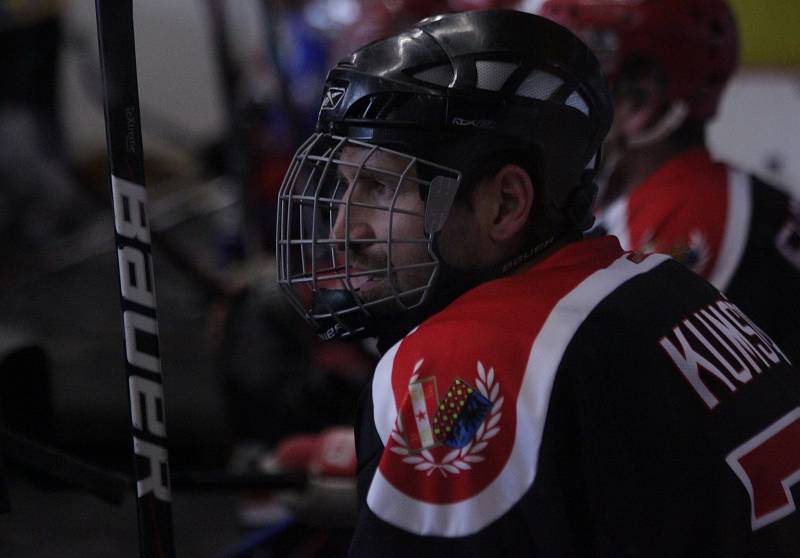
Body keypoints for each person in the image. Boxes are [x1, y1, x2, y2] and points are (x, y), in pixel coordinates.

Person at [275, 9, 800, 556]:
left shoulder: (464, 361)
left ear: (505, 203)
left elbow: (488, 411)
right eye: (342, 183)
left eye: (382, 186)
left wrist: (413, 467)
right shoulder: (670, 284)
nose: (342, 230)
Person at [540, 0, 800, 364]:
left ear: (638, 102)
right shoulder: (691, 194)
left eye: (573, 85)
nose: (553, 106)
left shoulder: (686, 213)